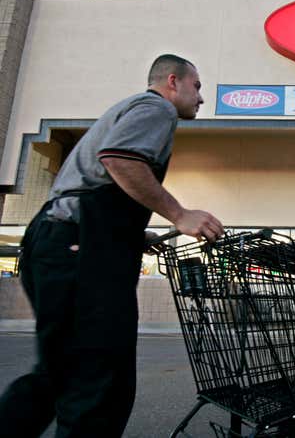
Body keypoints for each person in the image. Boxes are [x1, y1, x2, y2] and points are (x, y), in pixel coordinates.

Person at [0, 54, 224, 437]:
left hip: (59, 242)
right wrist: (179, 214)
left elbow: (97, 182)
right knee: (99, 383)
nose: (200, 98)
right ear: (173, 81)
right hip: (79, 249)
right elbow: (120, 159)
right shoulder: (156, 108)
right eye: (197, 86)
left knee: (59, 374)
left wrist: (135, 234)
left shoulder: (132, 108)